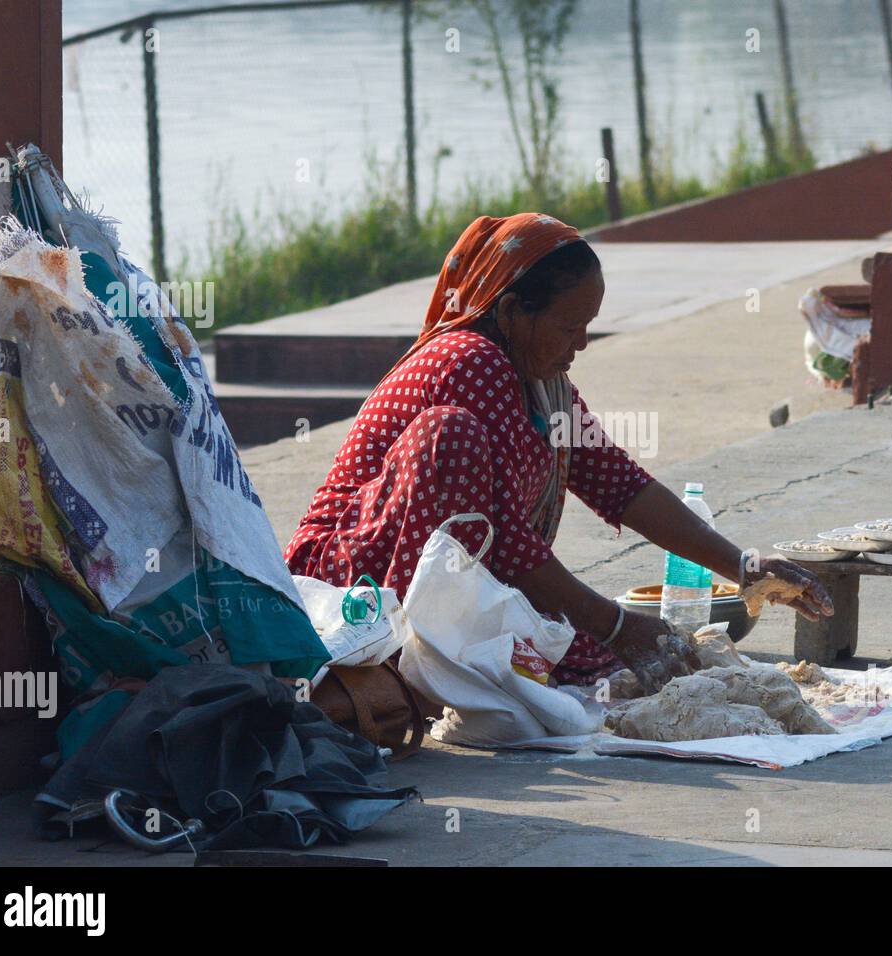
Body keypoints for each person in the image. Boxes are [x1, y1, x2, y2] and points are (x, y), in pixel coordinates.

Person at [285, 213, 832, 692]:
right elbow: (502, 537)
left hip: (446, 578)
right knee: (449, 433)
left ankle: (459, 653)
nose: (583, 344)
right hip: (350, 585)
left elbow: (621, 484)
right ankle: (408, 660)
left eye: (589, 326)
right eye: (570, 326)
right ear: (510, 314)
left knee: (597, 663)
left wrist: (744, 565)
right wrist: (612, 623)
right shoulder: (470, 362)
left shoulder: (546, 387)